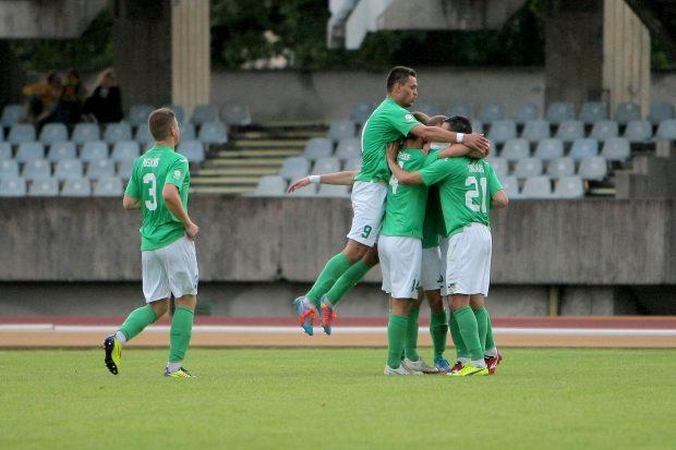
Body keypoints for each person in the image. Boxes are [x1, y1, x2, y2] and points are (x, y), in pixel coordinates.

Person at [293, 66, 489, 336]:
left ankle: (329, 300)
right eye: (412, 87)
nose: (416, 92)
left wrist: (315, 178)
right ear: (397, 87)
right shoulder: (397, 120)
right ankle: (311, 299)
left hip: (388, 200)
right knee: (357, 252)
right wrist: (465, 138)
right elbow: (425, 135)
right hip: (386, 204)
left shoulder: (399, 151)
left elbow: (359, 173)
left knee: (368, 256)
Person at [386, 115, 508, 376]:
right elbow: (501, 200)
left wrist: (391, 162)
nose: (440, 141)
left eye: (444, 136)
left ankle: (474, 362)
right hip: (484, 231)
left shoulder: (448, 164)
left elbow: (408, 179)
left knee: (457, 299)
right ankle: (486, 353)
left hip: (462, 234)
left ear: (457, 136)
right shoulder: (484, 167)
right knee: (476, 300)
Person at [103, 107, 200, 378]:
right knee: (186, 300)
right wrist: (188, 223)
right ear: (172, 130)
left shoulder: (141, 162)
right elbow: (169, 193)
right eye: (177, 124)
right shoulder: (177, 160)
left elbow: (128, 202)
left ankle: (118, 339)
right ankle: (174, 367)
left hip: (149, 243)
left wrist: (150, 207)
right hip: (173, 239)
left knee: (156, 306)